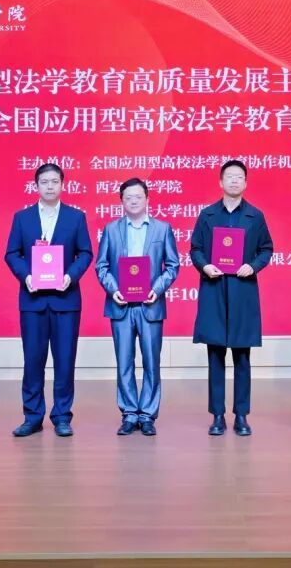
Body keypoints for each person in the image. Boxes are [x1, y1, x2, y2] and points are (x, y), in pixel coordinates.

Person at [4, 162, 93, 437]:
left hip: (66, 300)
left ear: (62, 185)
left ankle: (62, 416)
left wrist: (70, 276)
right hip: (33, 300)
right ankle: (32, 416)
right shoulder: (23, 217)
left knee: (65, 361)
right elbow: (12, 253)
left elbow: (85, 253)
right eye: (44, 182)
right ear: (36, 186)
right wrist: (26, 276)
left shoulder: (75, 217)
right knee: (33, 360)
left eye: (55, 181)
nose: (50, 186)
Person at [190, 159, 274, 437]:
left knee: (242, 357)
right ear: (220, 181)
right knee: (215, 356)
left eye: (239, 177)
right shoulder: (207, 215)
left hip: (242, 290)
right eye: (230, 176)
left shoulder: (255, 216)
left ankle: (241, 415)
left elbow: (266, 249)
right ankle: (217, 415)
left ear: (245, 183)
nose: (234, 180)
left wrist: (253, 266)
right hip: (214, 289)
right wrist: (205, 266)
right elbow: (195, 249)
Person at [94, 178, 180, 436]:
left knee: (152, 361)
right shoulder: (111, 230)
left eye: (138, 196)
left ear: (147, 199)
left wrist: (157, 289)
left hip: (150, 305)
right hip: (120, 304)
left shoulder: (162, 229)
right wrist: (114, 290)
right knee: (124, 362)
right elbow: (101, 266)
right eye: (128, 197)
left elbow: (172, 265)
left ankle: (148, 414)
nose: (133, 201)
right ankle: (129, 413)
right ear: (121, 201)